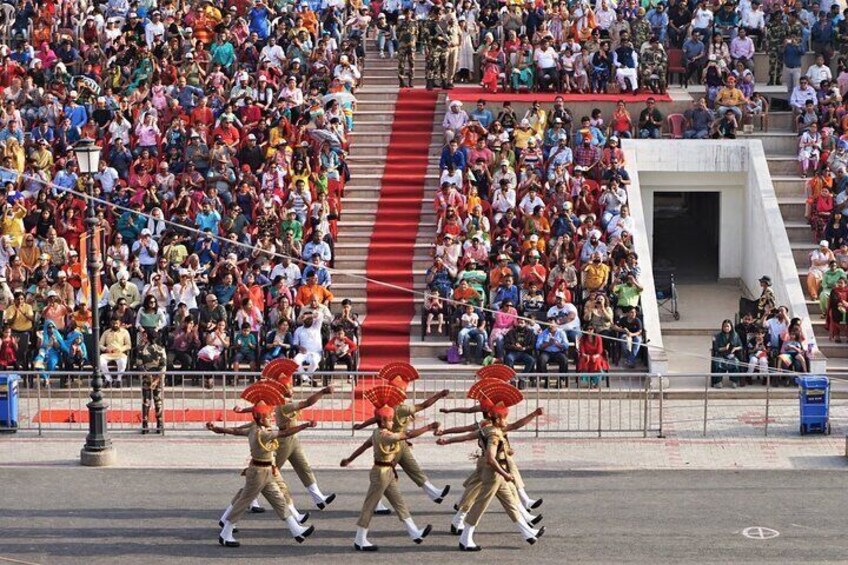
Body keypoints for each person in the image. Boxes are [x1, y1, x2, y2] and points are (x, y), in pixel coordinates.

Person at [208, 387, 317, 548]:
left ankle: (296, 530)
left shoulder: (253, 429)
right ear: (261, 418)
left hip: (266, 472)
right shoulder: (262, 433)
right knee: (243, 502)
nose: (271, 418)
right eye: (268, 416)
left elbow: (234, 431)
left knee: (279, 500)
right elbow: (284, 434)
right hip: (258, 473)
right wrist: (304, 426)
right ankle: (226, 532)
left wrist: (217, 429)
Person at [341, 383, 438, 552]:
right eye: (390, 419)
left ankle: (414, 532)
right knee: (369, 506)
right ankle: (360, 539)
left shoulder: (376, 433)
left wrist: (349, 459)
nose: (393, 421)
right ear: (382, 420)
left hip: (386, 473)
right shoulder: (385, 435)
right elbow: (407, 434)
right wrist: (428, 427)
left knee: (398, 502)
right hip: (381, 473)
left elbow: (364, 447)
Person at [353, 363, 451, 506]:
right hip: (394, 443)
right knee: (385, 473)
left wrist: (361, 426)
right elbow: (424, 406)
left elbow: (375, 418)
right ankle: (376, 503)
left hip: (399, 442)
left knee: (411, 469)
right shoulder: (402, 408)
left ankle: (434, 492)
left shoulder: (387, 407)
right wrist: (439, 395)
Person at [136, 328, 166, 434]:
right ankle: (160, 424)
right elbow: (163, 366)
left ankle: (145, 424)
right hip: (158, 379)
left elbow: (139, 365)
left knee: (146, 401)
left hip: (146, 379)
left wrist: (148, 376)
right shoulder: (161, 349)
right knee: (158, 401)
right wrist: (156, 379)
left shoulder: (141, 349)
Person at [99, 317, 132, 387]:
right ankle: (109, 379)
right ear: (111, 323)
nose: (115, 325)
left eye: (116, 323)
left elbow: (128, 345)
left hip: (120, 353)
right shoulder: (106, 332)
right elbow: (100, 345)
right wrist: (105, 349)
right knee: (100, 360)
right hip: (108, 353)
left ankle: (118, 380)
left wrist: (121, 349)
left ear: (119, 323)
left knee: (122, 362)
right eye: (113, 323)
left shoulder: (125, 332)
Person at [711, 319, 743, 388]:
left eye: (728, 326)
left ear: (731, 327)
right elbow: (716, 348)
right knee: (718, 363)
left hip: (731, 355)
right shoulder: (718, 336)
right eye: (725, 326)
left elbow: (740, 346)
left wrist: (735, 348)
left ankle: (734, 381)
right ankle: (718, 381)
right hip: (721, 355)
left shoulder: (735, 335)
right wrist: (724, 348)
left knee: (736, 362)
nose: (726, 328)